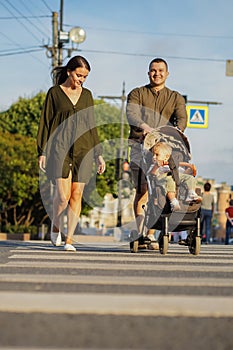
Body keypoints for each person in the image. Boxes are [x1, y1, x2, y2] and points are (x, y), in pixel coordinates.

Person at [37, 55, 106, 252]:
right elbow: (46, 122)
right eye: (78, 75)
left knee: (77, 195)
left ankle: (69, 240)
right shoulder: (54, 93)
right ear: (69, 72)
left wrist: (98, 154)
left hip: (84, 149)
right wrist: (42, 151)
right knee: (63, 196)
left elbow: (91, 125)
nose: (81, 80)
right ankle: (56, 225)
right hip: (59, 149)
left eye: (84, 77)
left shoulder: (87, 95)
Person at [126, 57, 188, 246]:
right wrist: (146, 128)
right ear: (148, 73)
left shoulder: (175, 97)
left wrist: (174, 133)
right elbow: (132, 114)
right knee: (143, 189)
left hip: (164, 150)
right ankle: (140, 232)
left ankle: (152, 233)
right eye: (153, 70)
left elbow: (182, 119)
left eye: (161, 70)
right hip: (139, 147)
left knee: (161, 188)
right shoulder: (137, 93)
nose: (157, 73)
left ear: (167, 74)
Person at [149, 142, 201, 211]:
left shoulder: (172, 165)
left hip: (174, 177)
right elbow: (152, 174)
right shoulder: (154, 166)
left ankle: (191, 194)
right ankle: (173, 201)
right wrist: (156, 166)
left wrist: (189, 167)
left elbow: (181, 173)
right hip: (162, 179)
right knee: (170, 179)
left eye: (157, 155)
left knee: (189, 178)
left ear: (167, 157)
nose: (154, 157)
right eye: (153, 155)